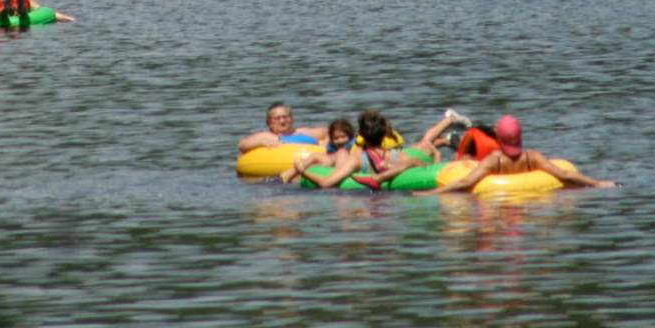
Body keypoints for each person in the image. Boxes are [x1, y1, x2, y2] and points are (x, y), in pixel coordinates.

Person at [416, 115, 616, 195]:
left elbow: (465, 183)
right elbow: (564, 174)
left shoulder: (494, 161)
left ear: (499, 138)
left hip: (495, 198)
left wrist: (429, 193)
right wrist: (598, 183)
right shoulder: (532, 157)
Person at [297, 110, 438, 190]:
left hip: (367, 203)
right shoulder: (400, 156)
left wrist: (303, 171)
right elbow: (427, 171)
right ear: (384, 134)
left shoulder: (357, 158)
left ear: (361, 135)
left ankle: (380, 177)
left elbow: (326, 183)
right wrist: (437, 155)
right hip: (392, 205)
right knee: (411, 162)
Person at [239, 103, 329, 153]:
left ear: (292, 119)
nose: (282, 121)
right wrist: (261, 142)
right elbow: (242, 145)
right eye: (277, 118)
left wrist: (326, 144)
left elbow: (329, 131)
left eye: (285, 117)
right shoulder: (266, 136)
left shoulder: (303, 132)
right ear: (269, 122)